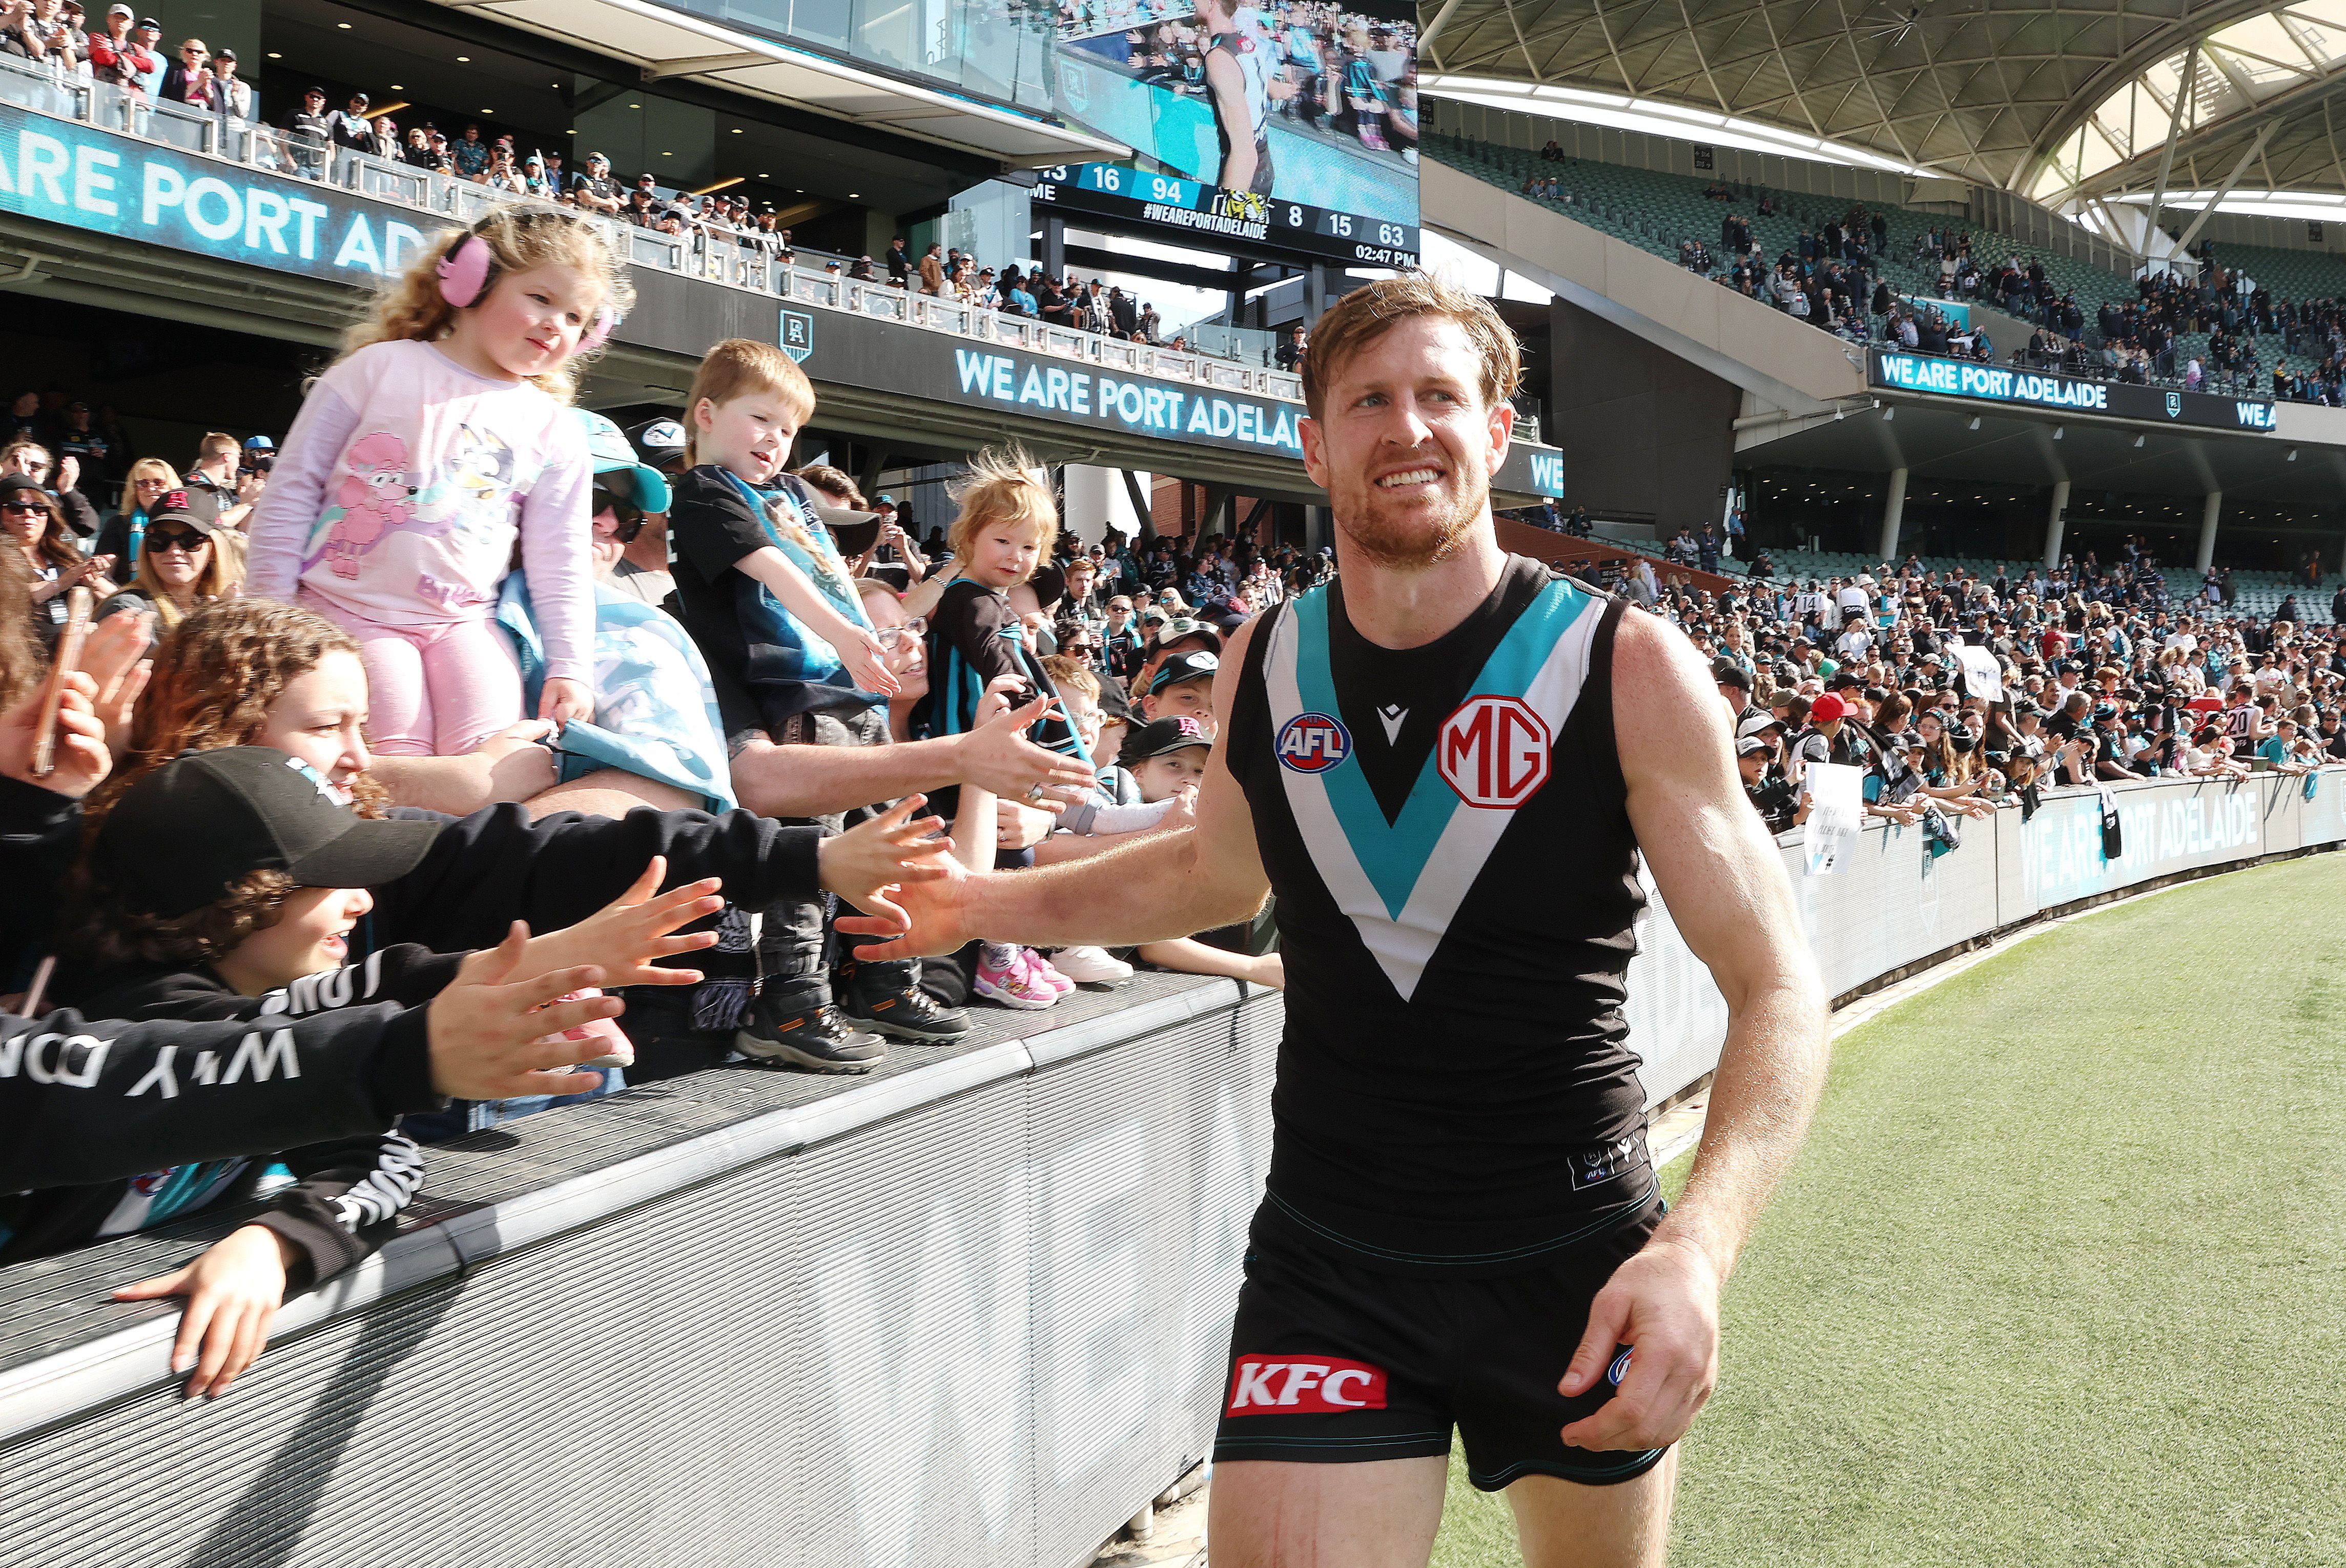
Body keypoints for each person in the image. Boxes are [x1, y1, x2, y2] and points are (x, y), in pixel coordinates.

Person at [839, 274, 1830, 1566]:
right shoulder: (1268, 658)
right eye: (1368, 400)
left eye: (1438, 396)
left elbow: (1779, 990)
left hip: (1570, 1248)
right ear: (1314, 443)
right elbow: (1213, 879)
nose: (1404, 427)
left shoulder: (1625, 663)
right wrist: (984, 905)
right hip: (1334, 1257)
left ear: (1498, 431)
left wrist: (1699, 1249)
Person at [243, 208, 630, 756]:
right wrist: (269, 620)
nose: (556, 325)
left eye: (576, 318)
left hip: (468, 624)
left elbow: (561, 560)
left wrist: (571, 666)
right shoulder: (373, 370)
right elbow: (289, 495)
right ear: (473, 279)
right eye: (541, 299)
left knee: (497, 760)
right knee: (393, 759)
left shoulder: (556, 430)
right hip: (349, 615)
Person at [98, 488, 237, 630]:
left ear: (214, 550)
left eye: (190, 541)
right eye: (159, 541)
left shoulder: (212, 605)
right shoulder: (128, 609)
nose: (174, 551)